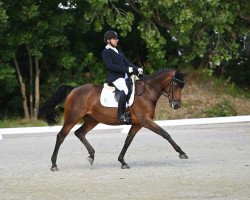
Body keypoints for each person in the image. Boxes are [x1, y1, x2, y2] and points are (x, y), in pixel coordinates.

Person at [102, 30, 143, 123]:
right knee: (125, 89)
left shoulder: (118, 51)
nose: (117, 40)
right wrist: (126, 70)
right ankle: (120, 115)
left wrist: (137, 69)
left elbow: (127, 62)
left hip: (124, 77)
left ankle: (131, 110)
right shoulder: (106, 52)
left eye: (117, 39)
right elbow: (110, 66)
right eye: (114, 39)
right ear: (108, 40)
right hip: (115, 77)